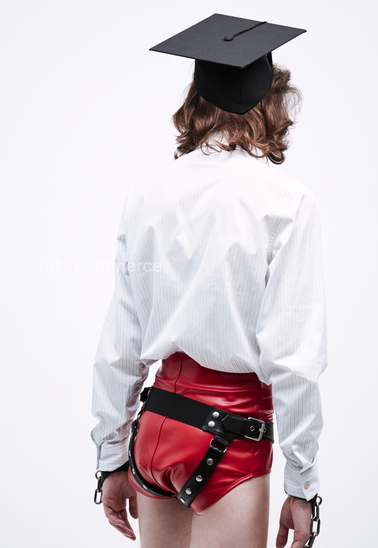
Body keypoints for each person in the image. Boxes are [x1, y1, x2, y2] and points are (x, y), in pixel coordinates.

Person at [91, 14, 327, 548]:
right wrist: (302, 484)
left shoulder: (146, 196)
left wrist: (111, 458)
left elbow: (120, 344)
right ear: (271, 101)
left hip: (156, 426)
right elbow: (295, 360)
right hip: (232, 430)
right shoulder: (287, 203)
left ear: (196, 99)